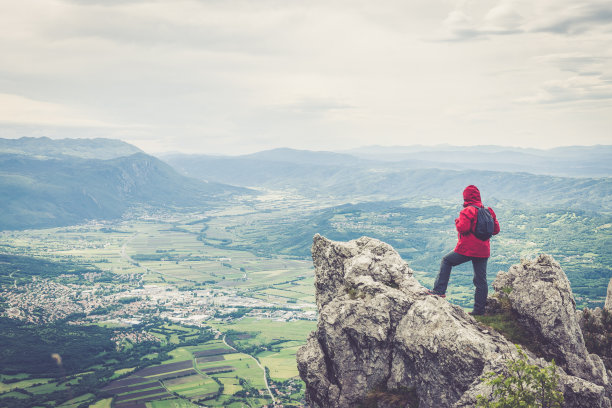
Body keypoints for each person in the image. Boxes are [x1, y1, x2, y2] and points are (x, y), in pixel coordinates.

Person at [427, 185, 500, 315]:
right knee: (481, 280)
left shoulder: (468, 211)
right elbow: (496, 230)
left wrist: (457, 221)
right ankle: (479, 311)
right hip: (483, 251)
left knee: (446, 261)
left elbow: (462, 228)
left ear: (466, 197)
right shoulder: (489, 211)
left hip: (467, 249)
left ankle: (439, 291)